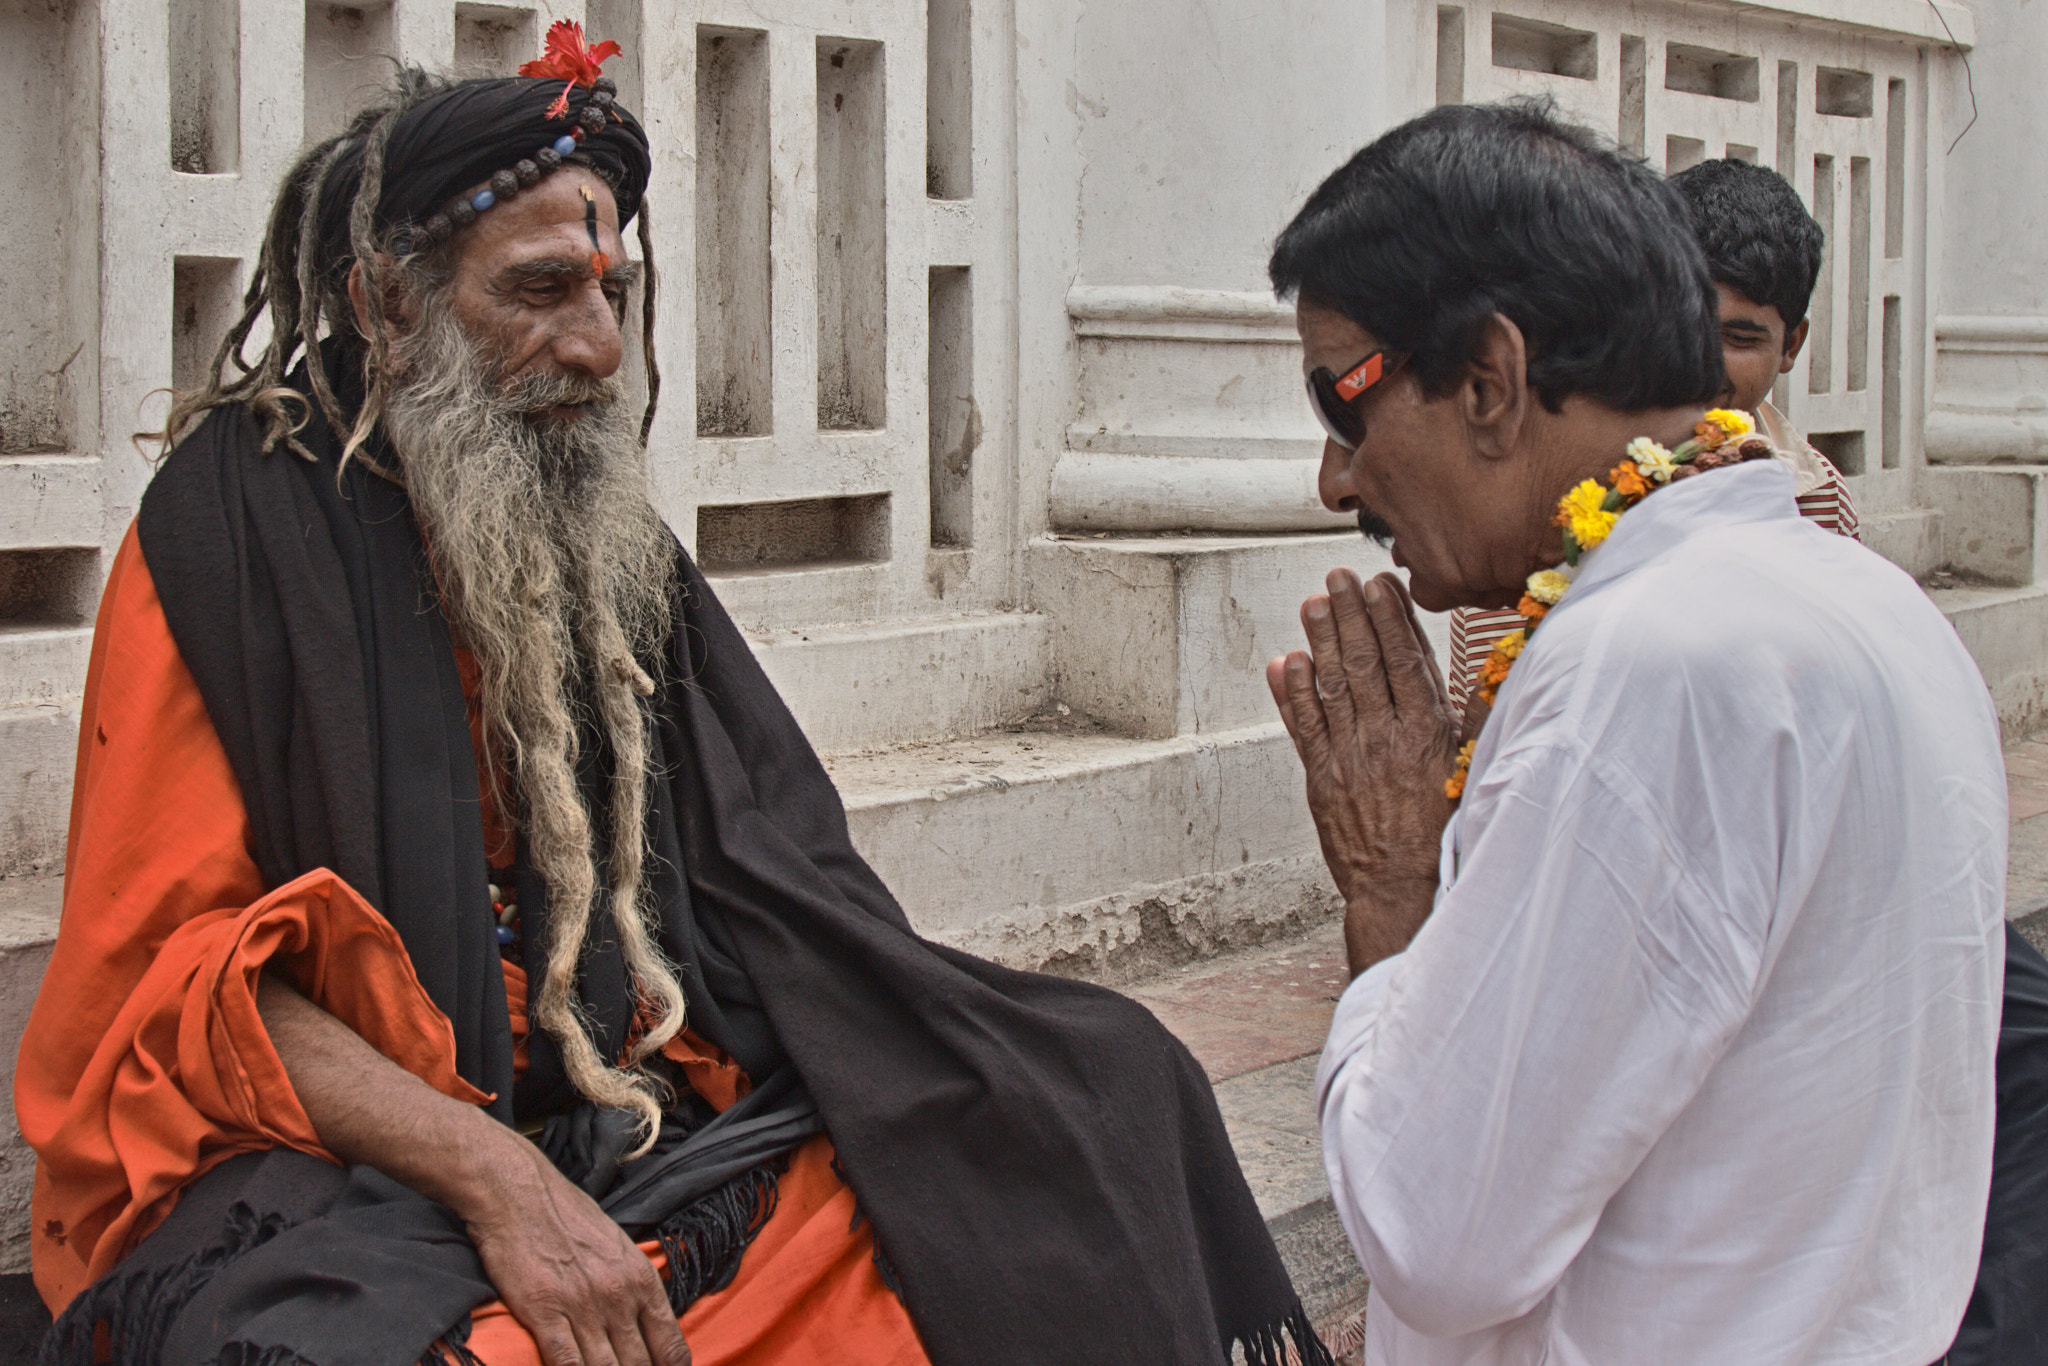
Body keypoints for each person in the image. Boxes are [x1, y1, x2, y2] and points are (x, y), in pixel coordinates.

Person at [18, 44, 1333, 1366]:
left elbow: (772, 869)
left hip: (626, 1092)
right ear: (385, 303)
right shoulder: (226, 536)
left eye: (614, 291)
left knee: (1090, 1095)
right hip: (346, 1138)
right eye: (538, 292)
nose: (596, 346)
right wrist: (501, 1178)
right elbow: (166, 992)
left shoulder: (581, 508)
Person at [1264, 99, 2003, 1364]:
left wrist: (1391, 894)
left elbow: (1434, 1234)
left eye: (1343, 404)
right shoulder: (1875, 607)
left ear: (1490, 381)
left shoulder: (1646, 665)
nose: (1336, 479)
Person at [1445, 156, 1857, 711]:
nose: (1701, 365)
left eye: (1739, 339)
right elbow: (1492, 706)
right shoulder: (1550, 489)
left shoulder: (1819, 498)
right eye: (1682, 327)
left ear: (1791, 346)